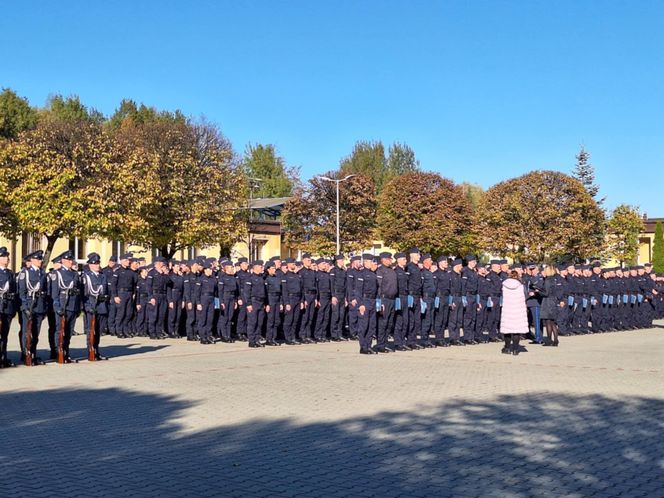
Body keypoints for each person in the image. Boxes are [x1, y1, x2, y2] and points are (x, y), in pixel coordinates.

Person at [49, 250, 81, 363]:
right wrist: (57, 306)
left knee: (68, 331)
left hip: (73, 306)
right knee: (60, 331)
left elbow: (78, 291)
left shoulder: (75, 274)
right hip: (62, 306)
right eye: (68, 260)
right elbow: (54, 293)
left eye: (71, 260)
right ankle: (59, 352)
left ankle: (66, 352)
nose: (70, 262)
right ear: (63, 261)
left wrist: (78, 307)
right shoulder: (57, 273)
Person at [17, 250, 48, 365]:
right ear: (32, 260)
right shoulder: (26, 273)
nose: (40, 261)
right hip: (29, 306)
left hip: (39, 306)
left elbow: (45, 291)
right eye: (38, 259)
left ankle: (33, 353)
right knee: (27, 332)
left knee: (36, 333)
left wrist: (44, 307)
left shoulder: (42, 273)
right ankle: (26, 354)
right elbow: (22, 291)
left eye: (41, 259)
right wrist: (25, 306)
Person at [82, 252, 109, 360]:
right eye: (95, 263)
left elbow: (106, 291)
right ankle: (90, 350)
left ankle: (96, 350)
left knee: (98, 330)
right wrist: (87, 307)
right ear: (90, 265)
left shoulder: (103, 276)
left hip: (102, 307)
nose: (97, 265)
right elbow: (84, 294)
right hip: (91, 306)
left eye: (98, 263)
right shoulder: (86, 277)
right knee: (91, 330)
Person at [500, 270, 529, 355]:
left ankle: (507, 347)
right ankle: (516, 349)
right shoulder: (520, 286)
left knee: (507, 330)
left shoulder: (504, 285)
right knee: (516, 330)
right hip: (518, 309)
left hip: (508, 309)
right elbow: (525, 295)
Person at [375, 252, 397, 353]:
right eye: (389, 259)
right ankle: (380, 344)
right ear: (383, 260)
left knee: (389, 323)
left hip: (392, 299)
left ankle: (385, 343)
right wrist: (380, 301)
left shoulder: (391, 271)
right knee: (383, 323)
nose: (390, 261)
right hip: (384, 299)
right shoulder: (380, 271)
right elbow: (379, 287)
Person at [0, 247, 17, 368]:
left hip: (8, 307)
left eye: (8, 256)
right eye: (5, 256)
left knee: (5, 334)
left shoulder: (10, 273)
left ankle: (3, 357)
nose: (8, 259)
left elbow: (15, 291)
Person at [540, 266, 560, 347]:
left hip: (548, 301)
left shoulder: (547, 280)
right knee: (552, 322)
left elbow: (546, 293)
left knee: (548, 321)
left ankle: (549, 340)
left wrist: (538, 291)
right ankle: (555, 339)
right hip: (553, 300)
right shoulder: (554, 279)